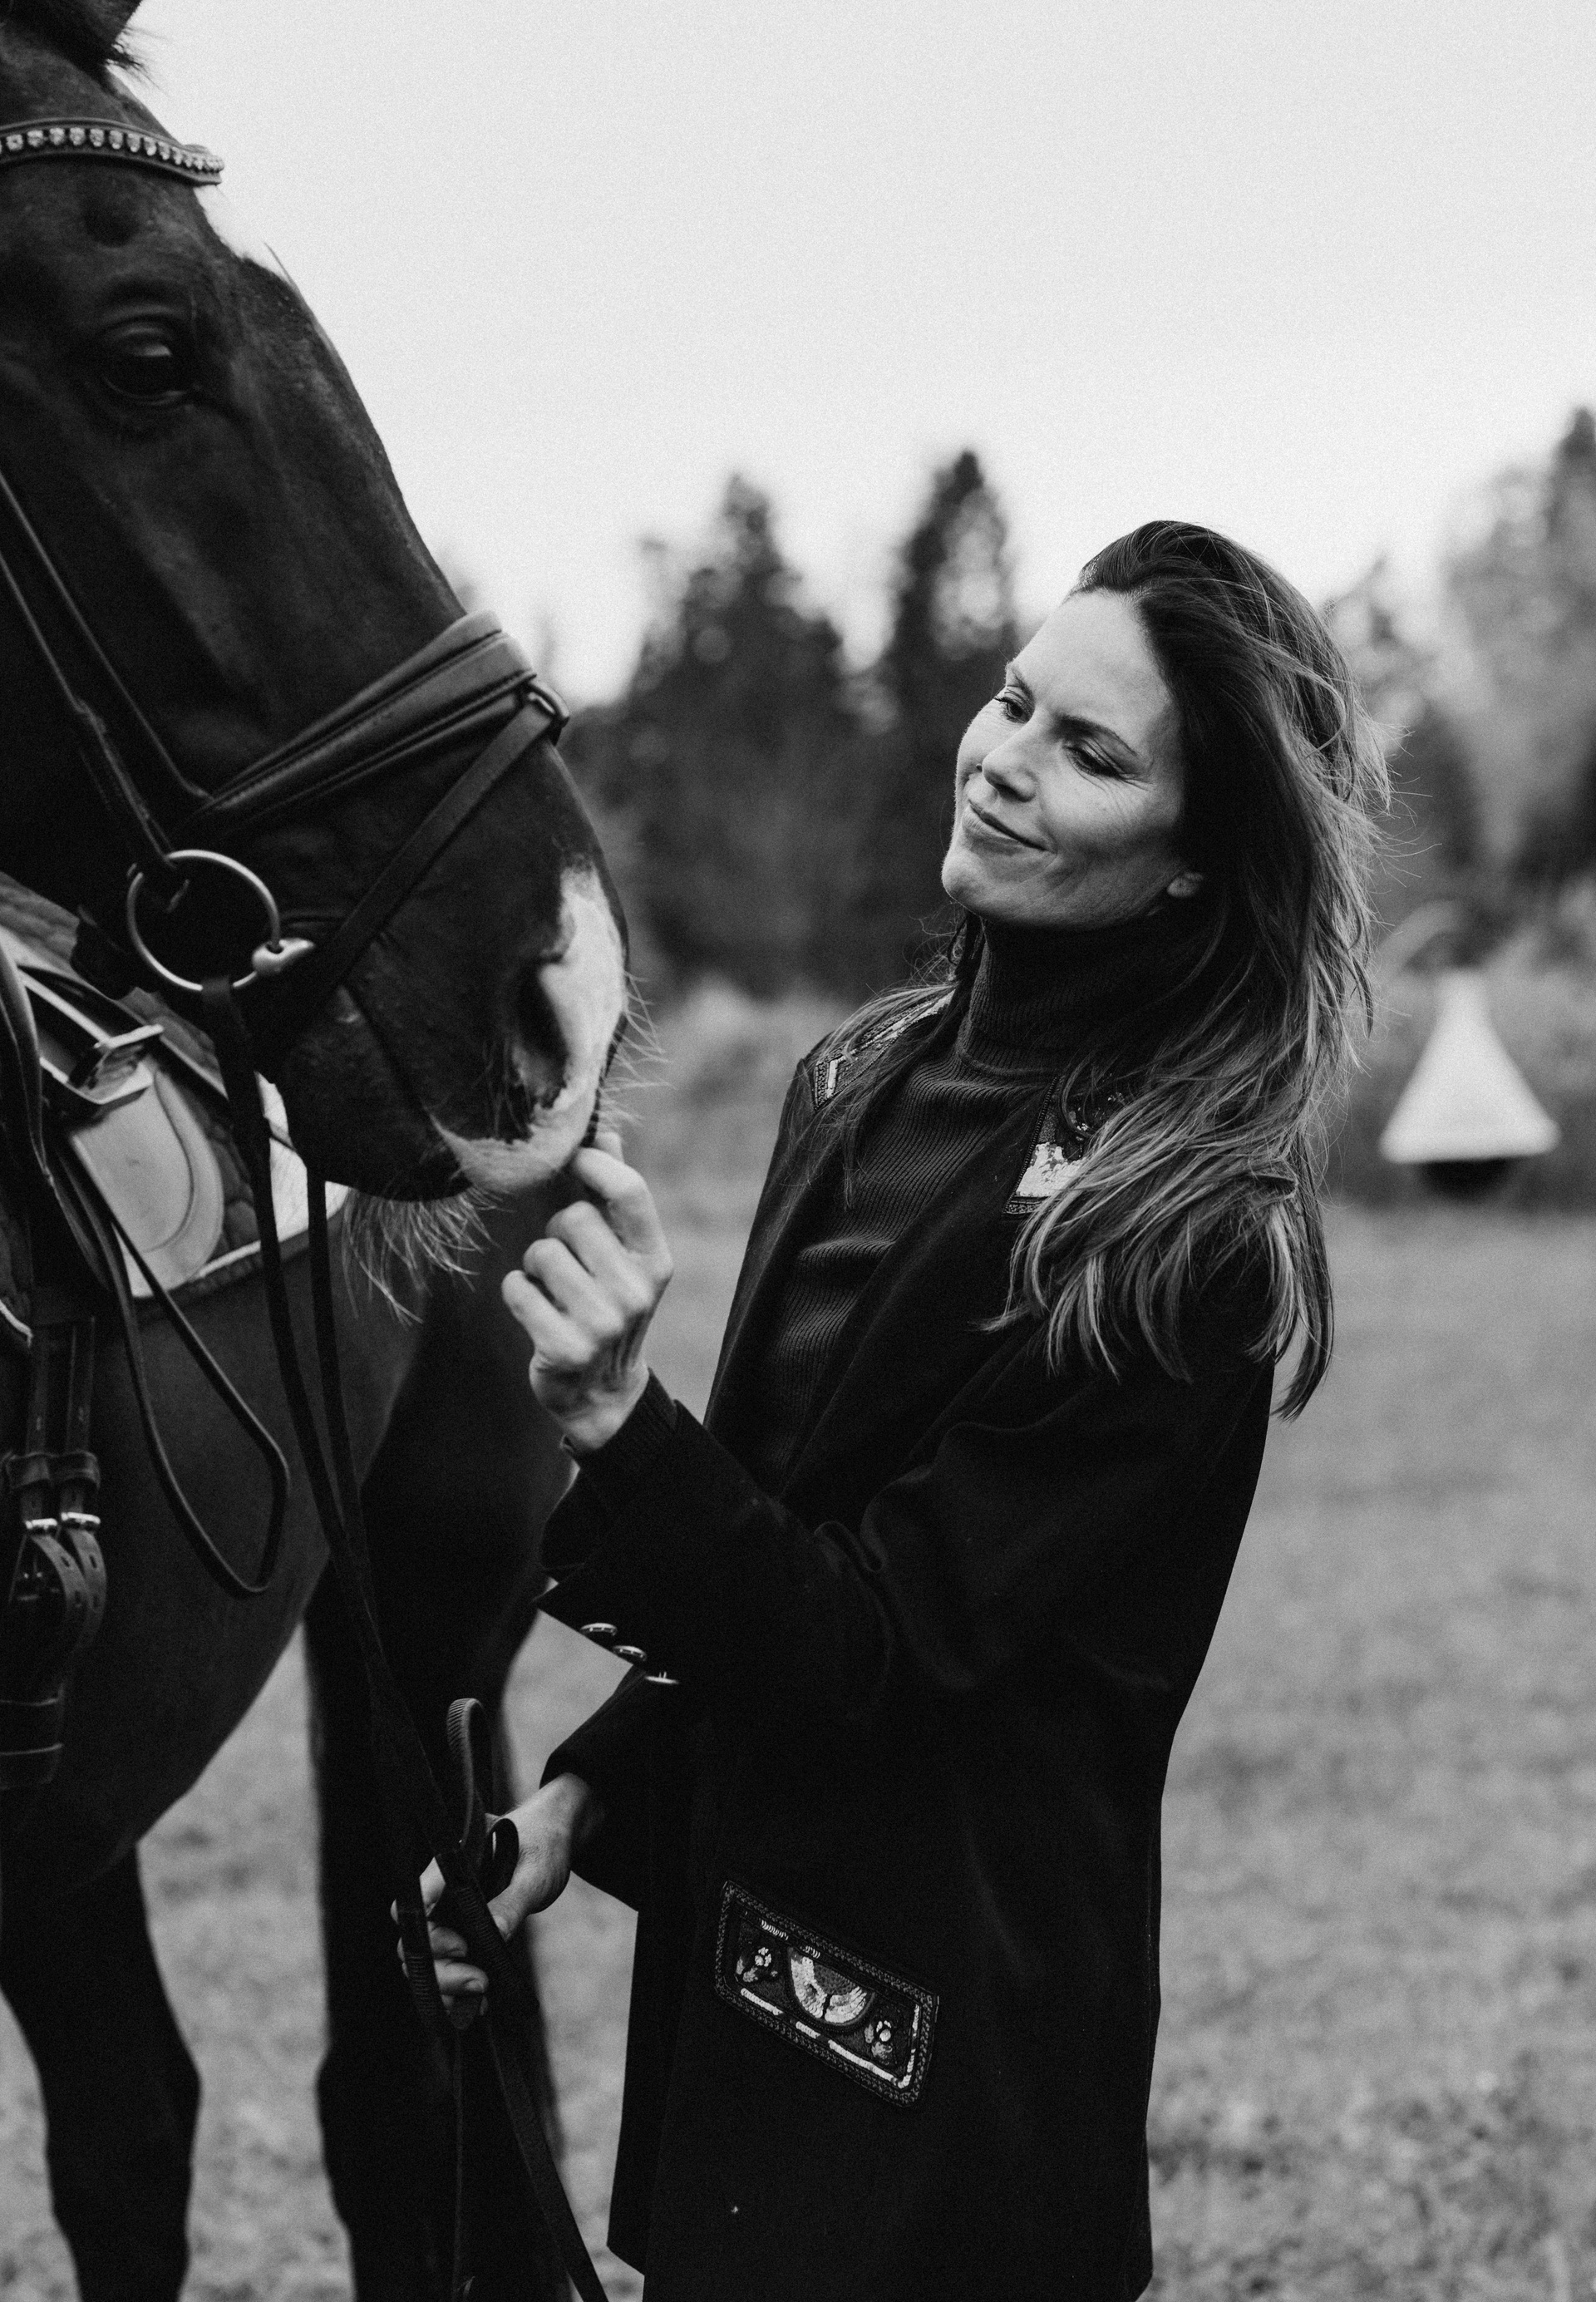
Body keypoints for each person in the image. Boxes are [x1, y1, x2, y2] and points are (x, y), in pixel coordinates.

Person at [420, 521, 1383, 2298]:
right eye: (1015, 701)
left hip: (960, 2068)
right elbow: (778, 1545)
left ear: (1197, 860)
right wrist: (584, 1803)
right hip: (739, 1998)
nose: (1005, 760)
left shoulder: (1180, 1235)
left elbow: (879, 1649)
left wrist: (623, 1421)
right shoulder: (861, 1072)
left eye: (1091, 754)